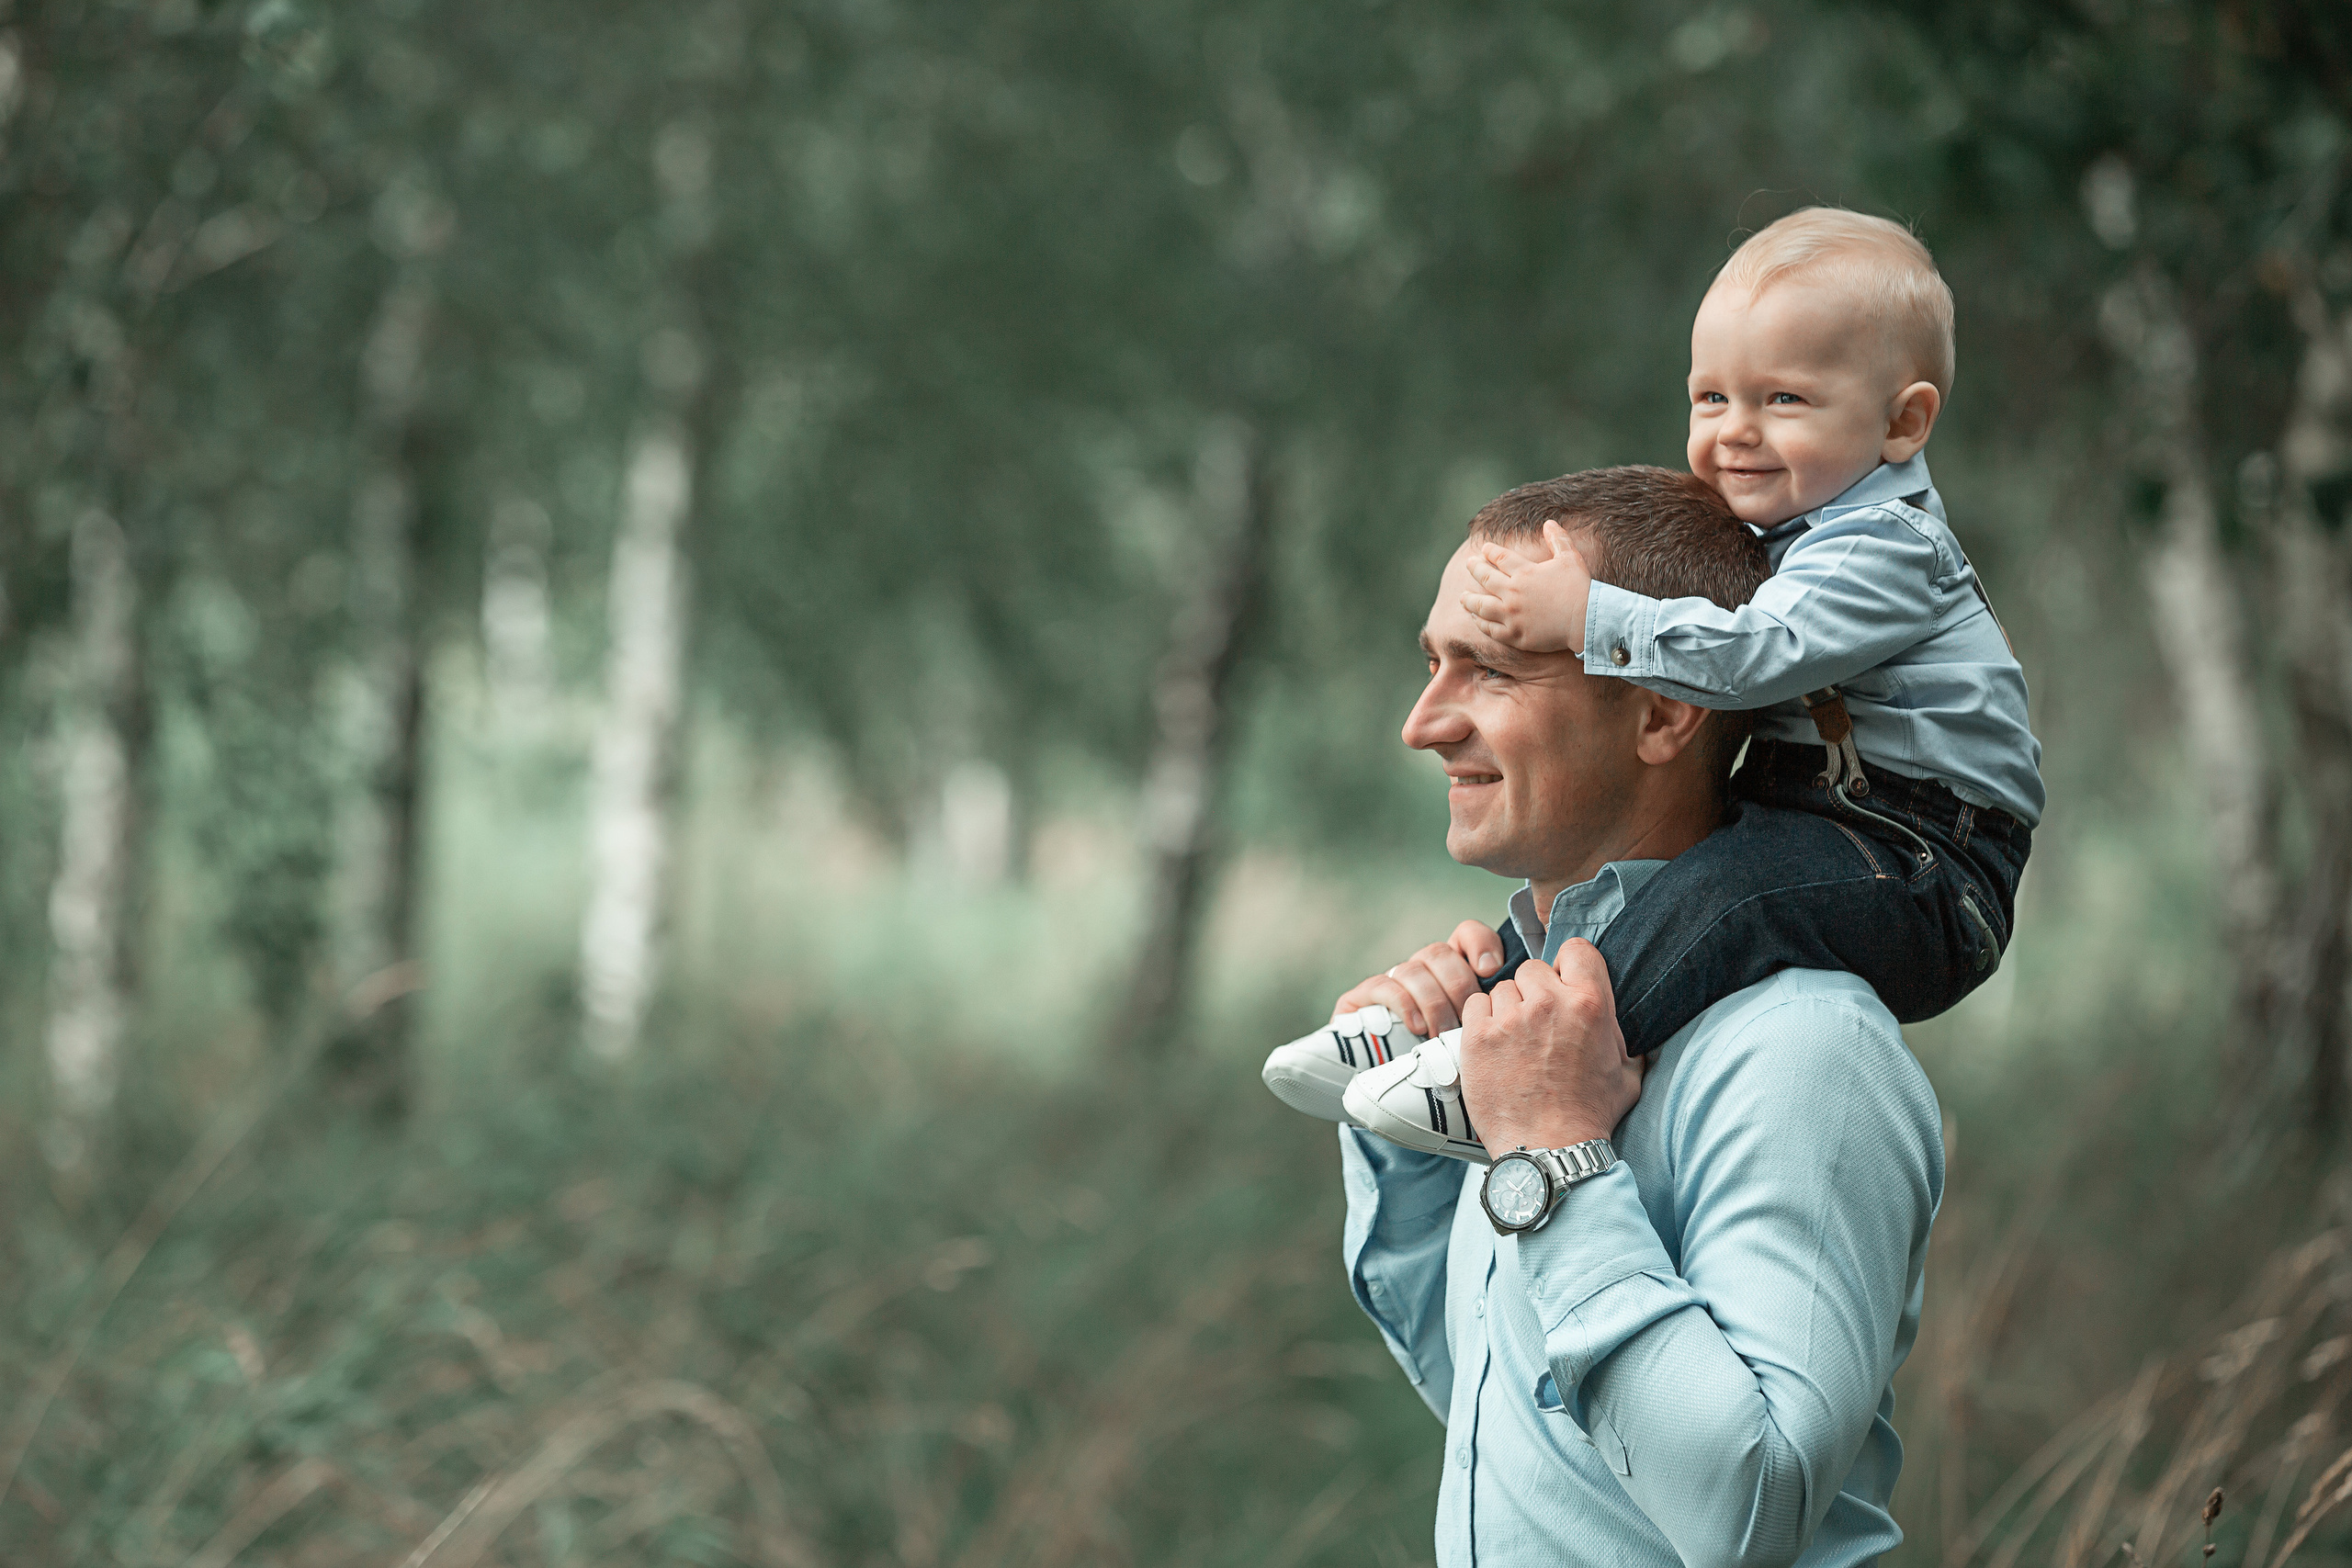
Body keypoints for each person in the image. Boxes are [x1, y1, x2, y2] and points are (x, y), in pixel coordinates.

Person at [1264, 207, 2040, 1156]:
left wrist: (1589, 617)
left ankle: (1497, 1072)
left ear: (1902, 421)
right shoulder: (1784, 537)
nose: (1735, 433)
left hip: (1925, 857)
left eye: (1783, 401)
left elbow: (1759, 652)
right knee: (1656, 897)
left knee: (1725, 900)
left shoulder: (1888, 549)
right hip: (1829, 813)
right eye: (1710, 400)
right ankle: (1442, 1024)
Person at [1324, 490, 1945, 1566]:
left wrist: (1548, 1158)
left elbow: (1747, 1510)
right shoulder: (1528, 1038)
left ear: (1663, 708)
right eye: (1433, 664)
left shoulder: (1804, 1047)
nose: (1424, 724)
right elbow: (1511, 1415)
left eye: (1495, 669)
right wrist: (1417, 1125)